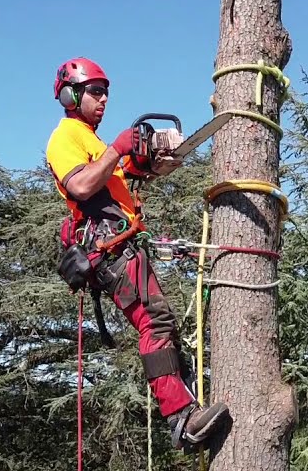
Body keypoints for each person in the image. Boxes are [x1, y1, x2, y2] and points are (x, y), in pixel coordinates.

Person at [44, 56, 230, 449]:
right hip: (109, 247)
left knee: (161, 321)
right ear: (70, 95)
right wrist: (118, 149)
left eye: (106, 92)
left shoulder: (91, 141)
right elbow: (80, 187)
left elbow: (121, 174)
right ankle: (182, 418)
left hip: (122, 242)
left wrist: (151, 158)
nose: (103, 99)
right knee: (155, 323)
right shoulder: (64, 138)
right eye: (95, 91)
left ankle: (185, 400)